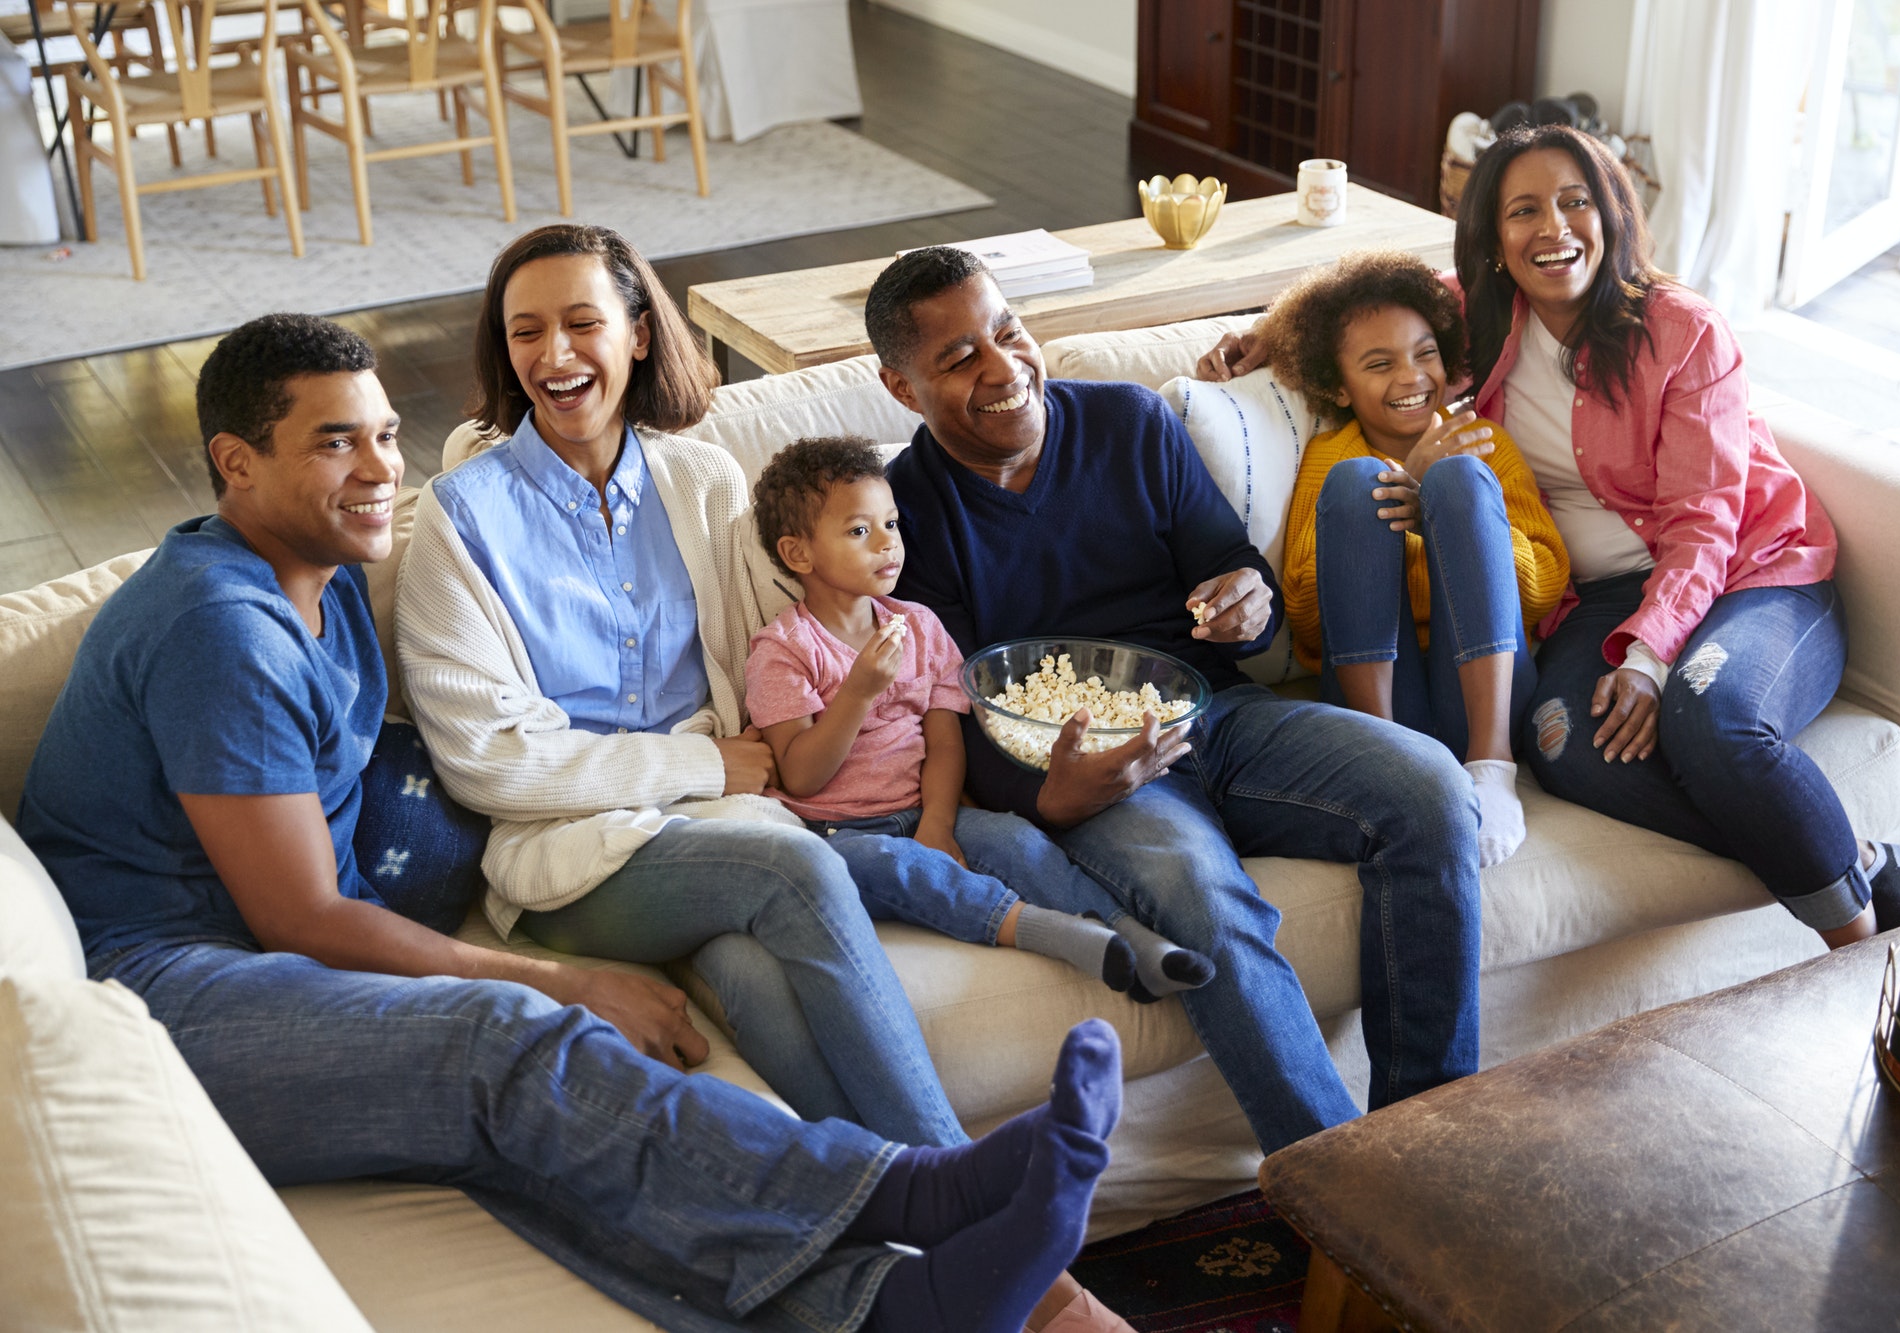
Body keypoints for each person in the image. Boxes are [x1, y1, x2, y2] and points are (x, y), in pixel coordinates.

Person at [14, 311, 1125, 1333]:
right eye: (334, 443)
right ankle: (916, 1187)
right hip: (159, 988)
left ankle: (895, 1303)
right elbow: (301, 913)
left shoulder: (325, 573)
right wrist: (560, 978)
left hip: (251, 964)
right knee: (503, 1038)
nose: (377, 473)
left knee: (543, 1145)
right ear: (235, 462)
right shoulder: (223, 629)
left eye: (386, 435)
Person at [1199, 124, 1900, 948]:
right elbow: (1372, 311)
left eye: (1575, 201)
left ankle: (1859, 947)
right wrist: (1266, 332)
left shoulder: (1686, 333)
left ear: (1612, 212)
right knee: (1563, 743)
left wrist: (1649, 658)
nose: (1554, 228)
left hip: (1752, 575)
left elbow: (1705, 525)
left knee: (1705, 717)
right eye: (1524, 211)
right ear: (1495, 240)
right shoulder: (1484, 318)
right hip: (1600, 599)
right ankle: (1842, 849)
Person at [867, 246, 1485, 1155]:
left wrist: (1246, 597)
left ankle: (1428, 1134)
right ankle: (1339, 1186)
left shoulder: (1128, 423)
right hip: (1096, 776)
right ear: (899, 385)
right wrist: (1055, 798)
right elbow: (949, 711)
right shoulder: (901, 517)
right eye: (960, 359)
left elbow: (1228, 562)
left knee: (1431, 790)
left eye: (1008, 332)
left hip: (1221, 717)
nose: (1004, 369)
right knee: (1202, 896)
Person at [393, 223, 968, 1151]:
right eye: (525, 332)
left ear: (640, 334)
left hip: (712, 827)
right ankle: (967, 1187)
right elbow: (489, 765)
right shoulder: (460, 518)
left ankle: (895, 1209)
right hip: (570, 850)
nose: (556, 354)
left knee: (749, 971)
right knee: (799, 866)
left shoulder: (701, 481)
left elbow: (776, 643)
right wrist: (701, 762)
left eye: (584, 322)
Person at [745, 435, 1214, 996]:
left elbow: (944, 741)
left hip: (921, 809)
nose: (888, 545)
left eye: (891, 524)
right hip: (834, 833)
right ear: (799, 554)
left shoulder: (918, 625)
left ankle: (1138, 944)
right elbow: (800, 774)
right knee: (897, 868)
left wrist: (938, 823)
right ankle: (1058, 935)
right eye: (859, 531)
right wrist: (858, 692)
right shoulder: (783, 650)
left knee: (1020, 843)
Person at [1263, 251, 1569, 867]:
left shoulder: (1482, 441)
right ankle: (1385, 767)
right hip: (1377, 697)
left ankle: (1492, 766)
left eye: (1425, 353)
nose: (1411, 377)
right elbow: (1305, 611)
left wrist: (1437, 512)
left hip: (1482, 693)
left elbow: (1541, 588)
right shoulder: (1329, 456)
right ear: (1335, 383)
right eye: (1379, 364)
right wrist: (1402, 483)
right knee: (1359, 483)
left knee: (1459, 479)